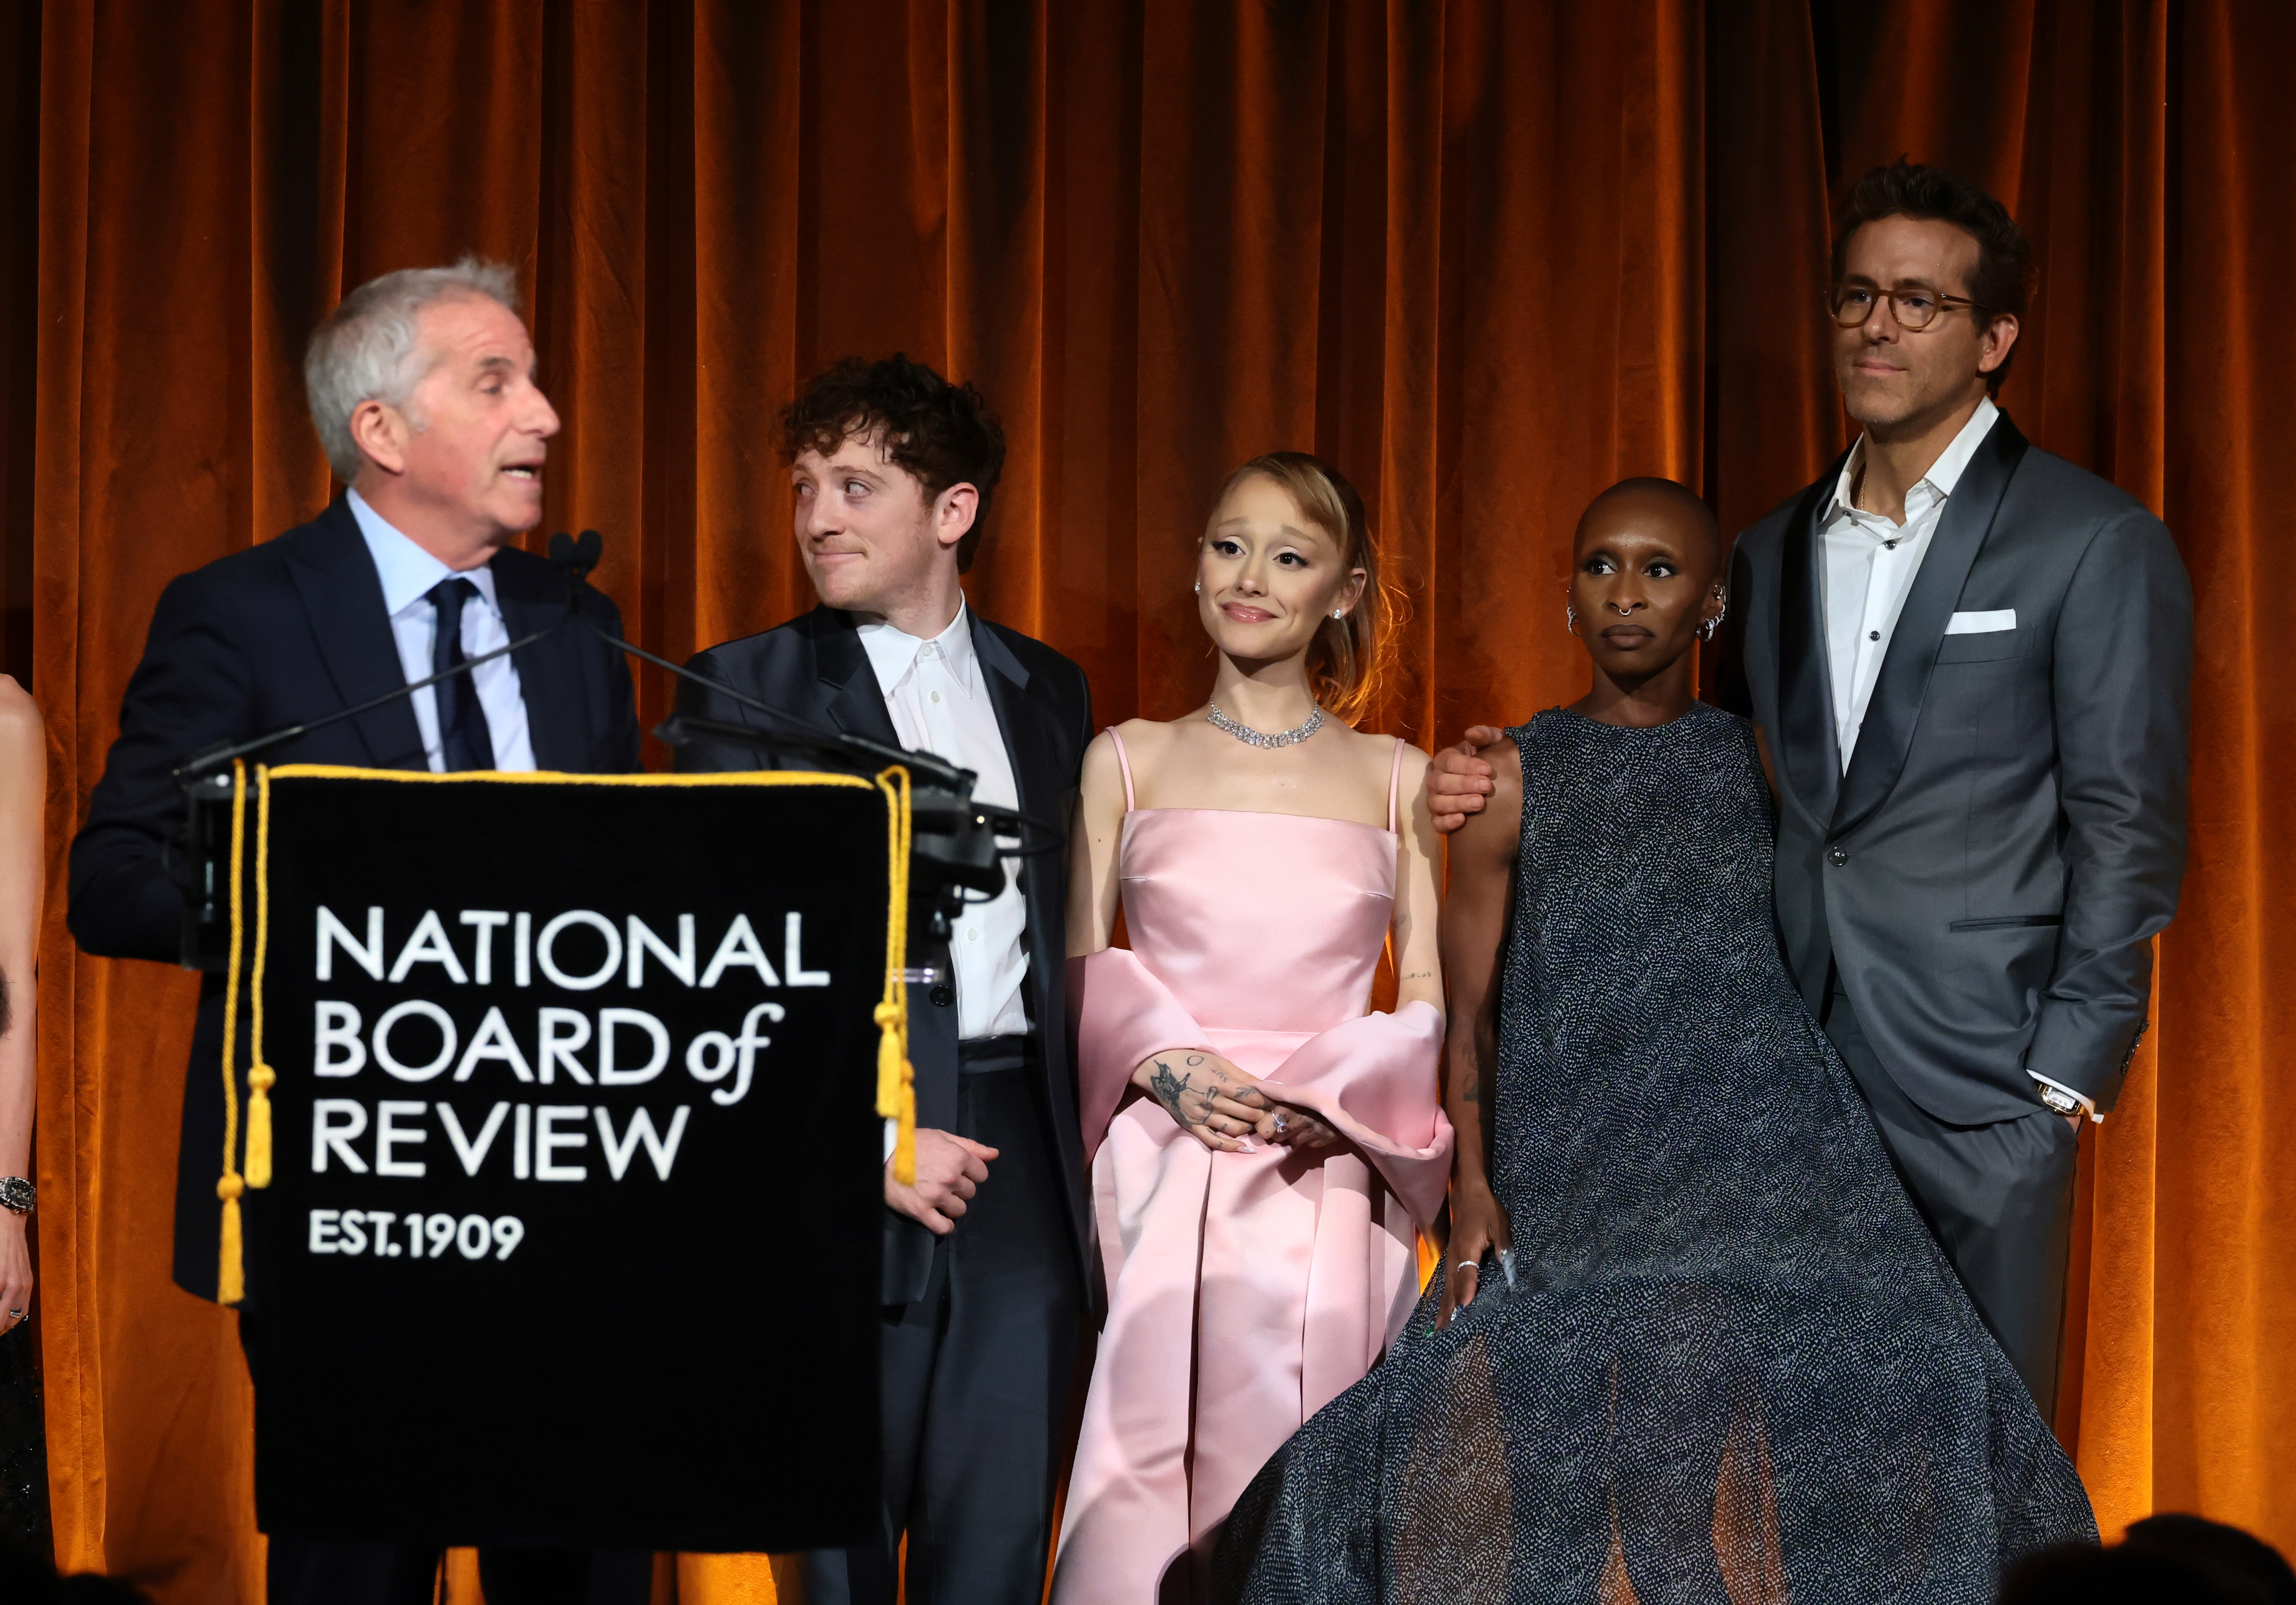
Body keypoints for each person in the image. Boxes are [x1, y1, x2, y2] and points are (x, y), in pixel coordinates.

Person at [1216, 478, 2095, 1603]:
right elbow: (1470, 1007)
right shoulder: (1506, 779)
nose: (1626, 593)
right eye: (1601, 566)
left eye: (1661, 570)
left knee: (1809, 1445)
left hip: (1753, 1166)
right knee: (1543, 1506)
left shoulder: (1768, 768)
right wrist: (1474, 1184)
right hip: (1576, 1166)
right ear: (1567, 596)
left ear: (1713, 605)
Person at [1426, 160, 2192, 1413]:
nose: (1875, 326)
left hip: (1985, 1083)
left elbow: (2130, 816)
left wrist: (2067, 1069)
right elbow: (1707, 773)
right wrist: (1497, 766)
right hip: (1782, 1089)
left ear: (1996, 338)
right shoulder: (1770, 550)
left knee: (1984, 1463)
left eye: (1917, 302)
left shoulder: (2092, 538)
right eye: (1854, 297)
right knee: (1817, 1473)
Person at [68, 259, 644, 1605]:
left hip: (580, 1188)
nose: (547, 415)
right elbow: (114, 875)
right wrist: (315, 908)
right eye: (495, 382)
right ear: (381, 430)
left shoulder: (576, 622)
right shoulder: (246, 609)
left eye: (537, 378)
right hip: (347, 1192)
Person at [673, 355, 1093, 1605]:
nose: (817, 518)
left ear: (952, 512)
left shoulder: (1049, 688)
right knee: (836, 1558)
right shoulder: (740, 689)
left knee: (998, 1542)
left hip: (1021, 1153)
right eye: (805, 485)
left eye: (856, 485)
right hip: (833, 1162)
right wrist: (869, 1137)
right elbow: (710, 976)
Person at [1054, 453, 1452, 1602]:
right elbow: (1079, 967)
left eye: (1291, 557)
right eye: (1231, 546)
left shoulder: (1397, 778)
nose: (1252, 577)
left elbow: (1425, 992)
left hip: (1325, 1168)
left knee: (1313, 1469)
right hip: (1166, 1158)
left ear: (1343, 589)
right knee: (1145, 1456)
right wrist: (1165, 1063)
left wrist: (1335, 1099)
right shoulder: (1126, 757)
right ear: (1195, 568)